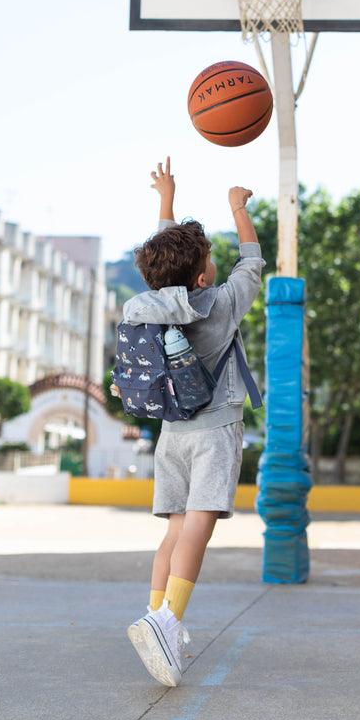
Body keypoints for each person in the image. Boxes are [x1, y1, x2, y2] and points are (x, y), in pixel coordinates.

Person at [123, 156, 265, 687]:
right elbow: (251, 264)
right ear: (204, 274)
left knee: (174, 534)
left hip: (171, 434)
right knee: (198, 532)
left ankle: (156, 615)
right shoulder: (220, 305)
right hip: (214, 432)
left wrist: (166, 200)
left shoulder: (151, 304)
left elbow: (166, 259)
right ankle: (168, 620)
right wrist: (238, 208)